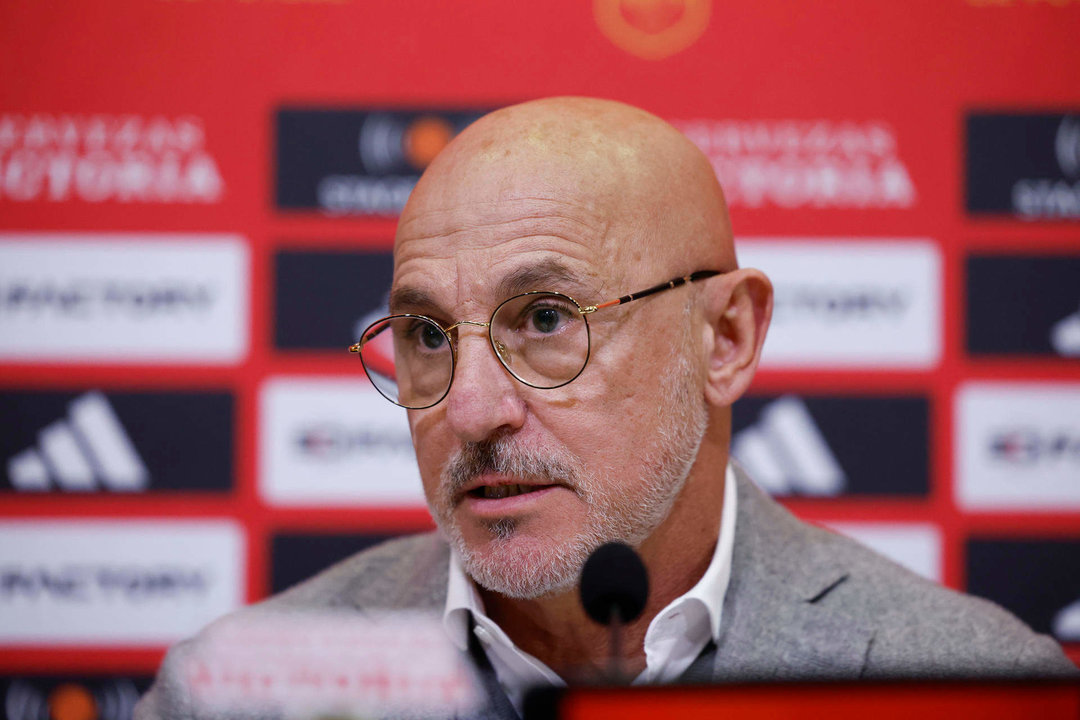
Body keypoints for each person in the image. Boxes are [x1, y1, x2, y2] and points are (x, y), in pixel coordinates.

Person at [137, 97, 1075, 719]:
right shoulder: (227, 696)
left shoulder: (967, 680)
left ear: (727, 338)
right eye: (427, 335)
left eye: (546, 319)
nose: (470, 409)